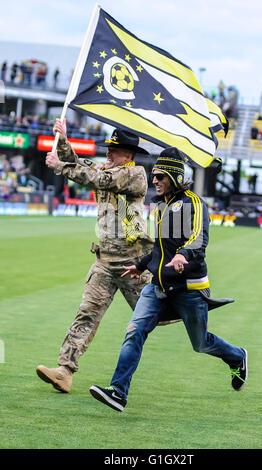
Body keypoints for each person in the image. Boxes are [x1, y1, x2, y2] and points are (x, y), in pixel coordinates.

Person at [89, 147, 248, 412]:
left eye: (160, 176)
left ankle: (237, 356)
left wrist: (184, 255)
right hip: (157, 286)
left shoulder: (193, 204)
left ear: (174, 176)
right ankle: (118, 392)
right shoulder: (161, 206)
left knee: (201, 343)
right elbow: (161, 248)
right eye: (154, 175)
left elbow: (198, 238)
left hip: (189, 289)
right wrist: (141, 265)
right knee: (134, 331)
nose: (154, 180)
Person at [36, 122, 153, 393]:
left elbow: (99, 180)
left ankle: (213, 341)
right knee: (86, 314)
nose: (108, 154)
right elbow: (77, 163)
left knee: (160, 314)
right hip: (105, 261)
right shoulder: (106, 169)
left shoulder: (134, 174)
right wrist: (63, 140)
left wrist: (59, 167)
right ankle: (64, 371)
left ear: (129, 155)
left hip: (133, 264)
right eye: (108, 149)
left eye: (115, 150)